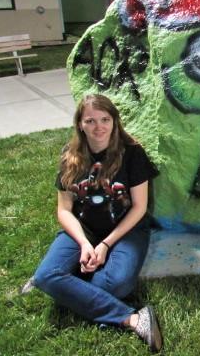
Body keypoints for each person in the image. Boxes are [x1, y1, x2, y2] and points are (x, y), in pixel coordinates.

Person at [33, 94, 163, 353]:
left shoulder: (133, 154)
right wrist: (83, 243)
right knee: (45, 276)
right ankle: (134, 319)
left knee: (117, 284)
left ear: (115, 121)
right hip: (84, 230)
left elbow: (139, 208)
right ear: (80, 124)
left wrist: (104, 245)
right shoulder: (70, 156)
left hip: (127, 230)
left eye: (105, 119)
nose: (98, 127)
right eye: (90, 120)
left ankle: (70, 287)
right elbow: (64, 210)